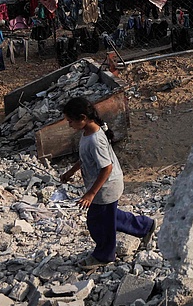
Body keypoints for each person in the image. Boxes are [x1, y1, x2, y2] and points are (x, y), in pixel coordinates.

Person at [59, 97, 156, 269]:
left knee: (97, 223)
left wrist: (91, 193)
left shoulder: (95, 140)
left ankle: (104, 255)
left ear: (83, 118)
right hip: (103, 186)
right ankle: (145, 225)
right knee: (109, 216)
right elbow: (85, 158)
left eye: (71, 121)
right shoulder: (88, 132)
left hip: (106, 187)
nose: (69, 125)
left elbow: (106, 168)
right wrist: (71, 172)